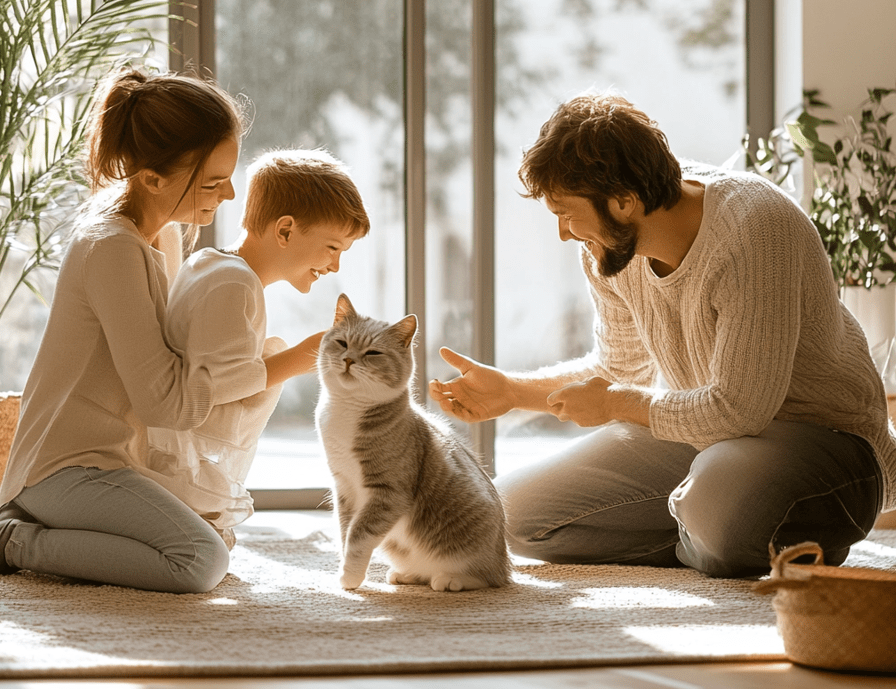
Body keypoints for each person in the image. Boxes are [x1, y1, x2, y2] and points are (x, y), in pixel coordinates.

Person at [429, 92, 896, 578]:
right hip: (706, 437)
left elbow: (740, 409)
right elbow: (618, 370)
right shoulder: (608, 247)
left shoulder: (755, 229)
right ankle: (705, 528)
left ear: (624, 201)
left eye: (566, 213)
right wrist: (512, 391)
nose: (565, 233)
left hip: (827, 441)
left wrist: (617, 404)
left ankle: (726, 523)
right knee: (507, 517)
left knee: (724, 520)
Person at [1, 67, 274, 592]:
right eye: (214, 181)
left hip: (113, 459)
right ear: (152, 178)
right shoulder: (112, 248)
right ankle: (12, 540)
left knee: (220, 535)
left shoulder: (158, 235)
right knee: (199, 560)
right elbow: (164, 404)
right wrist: (263, 370)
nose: (231, 193)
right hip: (65, 467)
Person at [144, 148, 369, 550]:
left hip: (175, 451)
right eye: (332, 248)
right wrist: (302, 356)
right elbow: (213, 385)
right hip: (180, 461)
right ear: (285, 231)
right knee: (207, 551)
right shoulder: (236, 283)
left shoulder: (209, 263)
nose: (335, 266)